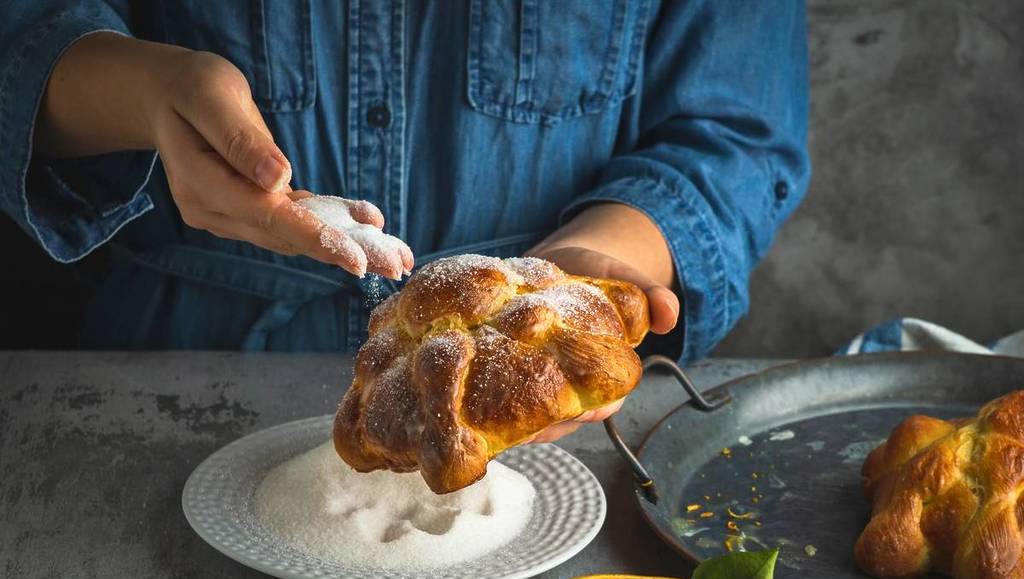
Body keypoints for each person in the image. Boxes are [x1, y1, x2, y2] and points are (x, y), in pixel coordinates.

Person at [0, 1, 809, 440]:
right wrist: (150, 89)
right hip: (161, 411)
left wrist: (590, 258)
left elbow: (733, 132)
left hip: (536, 432)